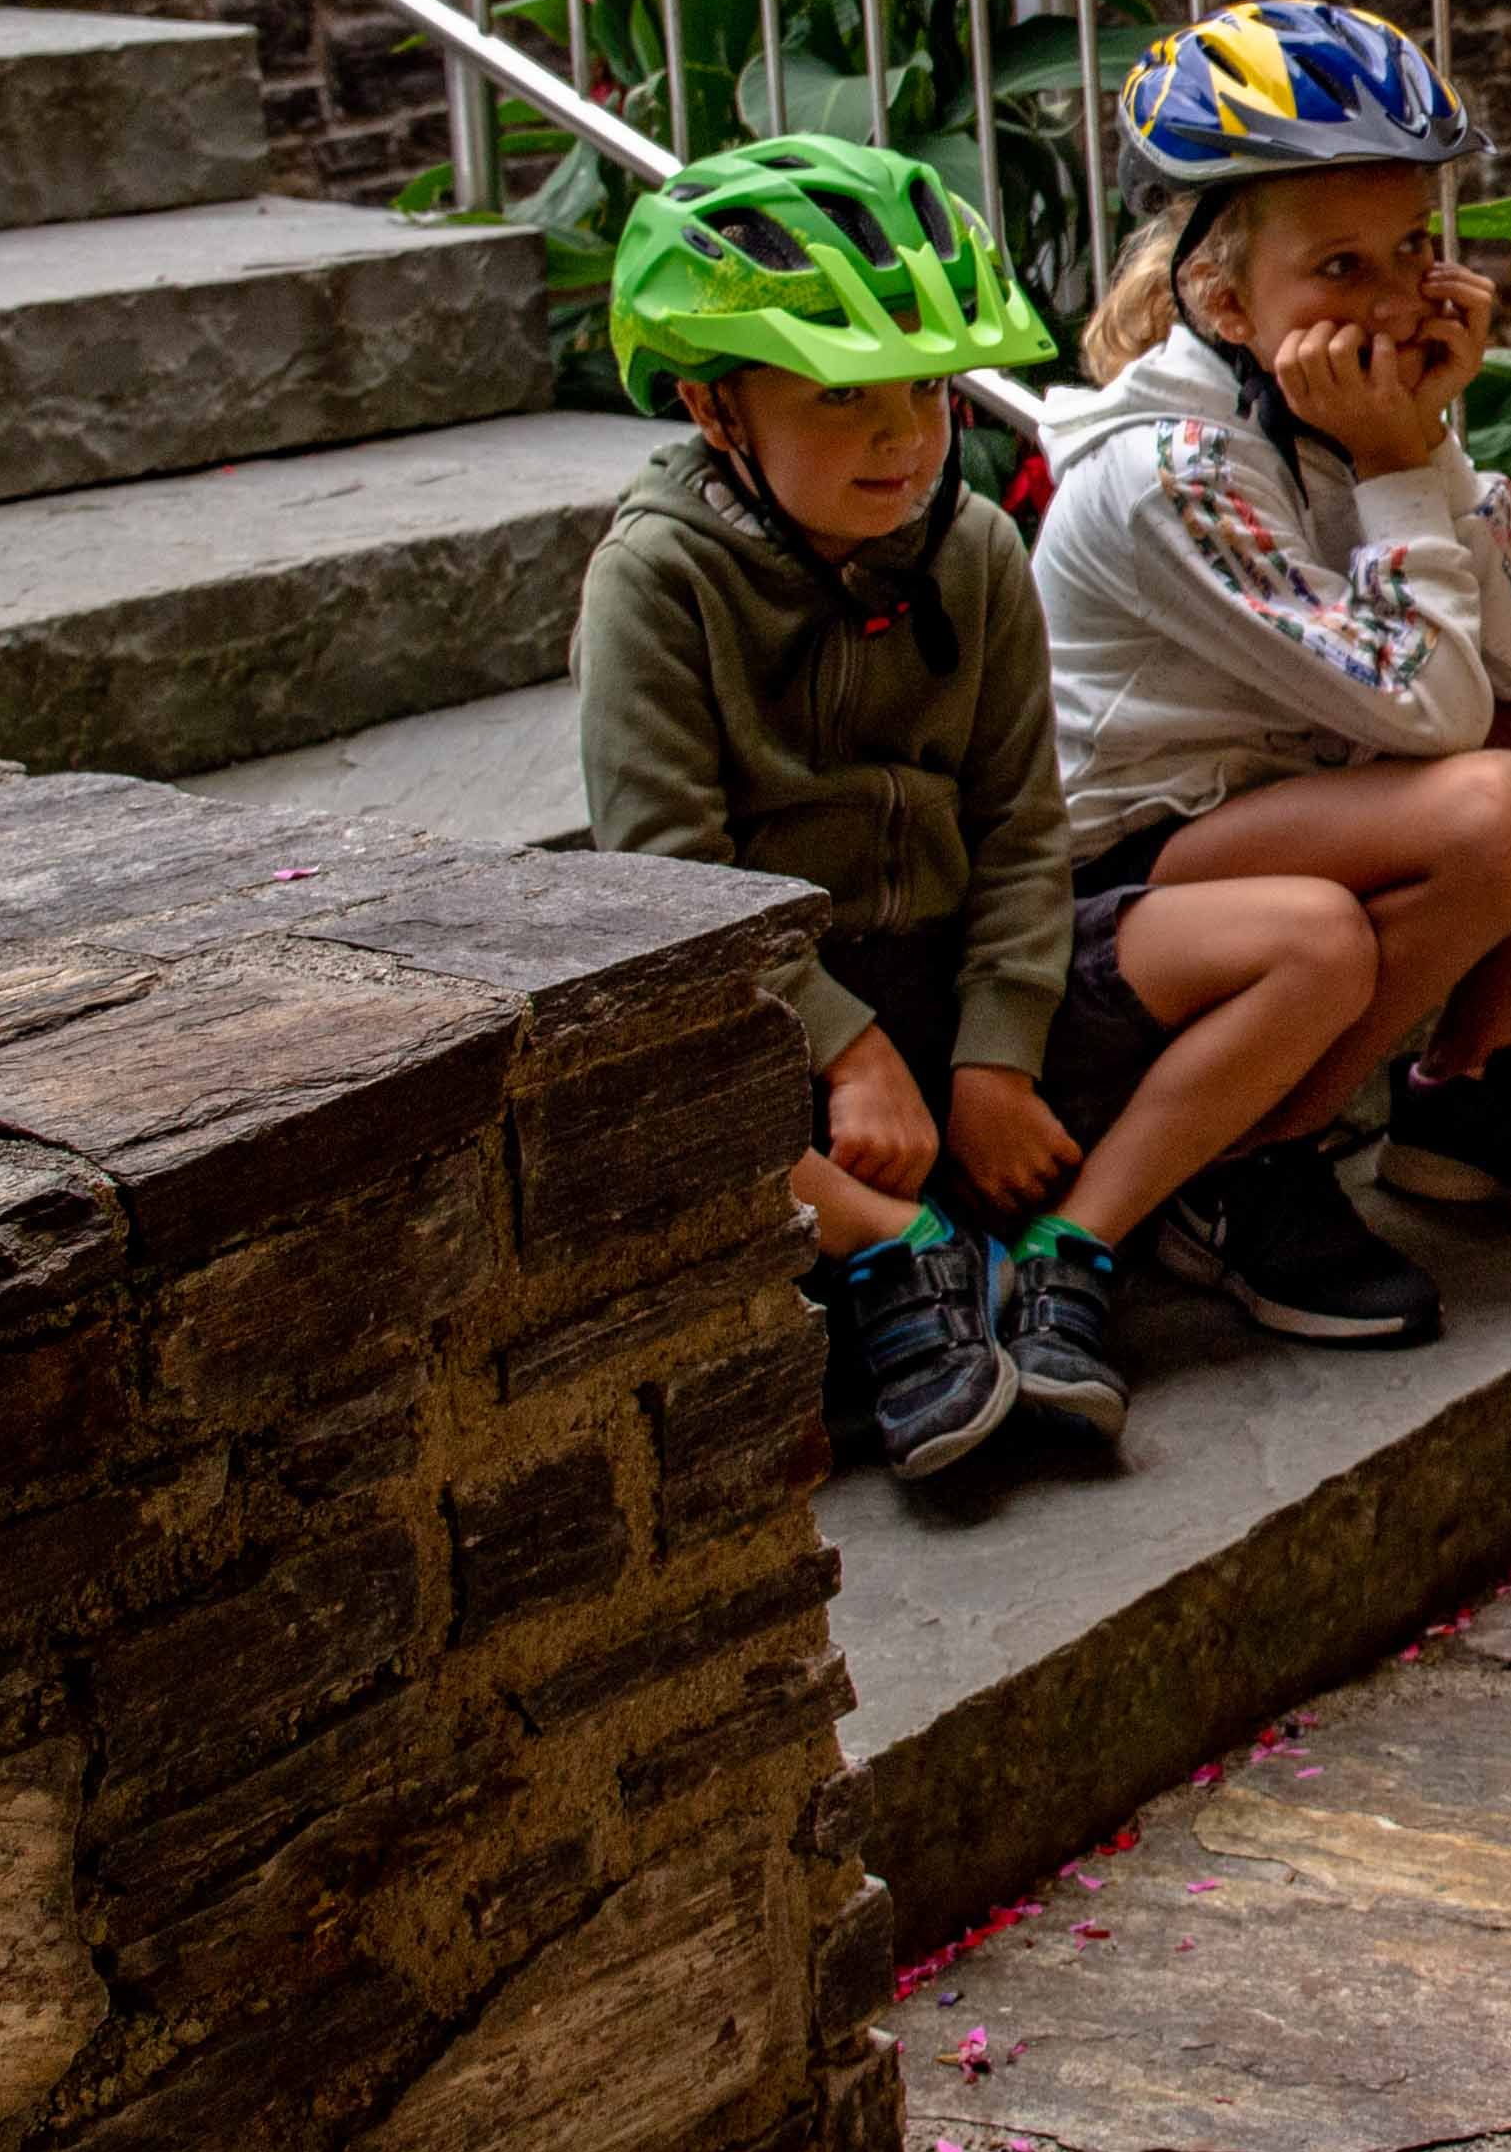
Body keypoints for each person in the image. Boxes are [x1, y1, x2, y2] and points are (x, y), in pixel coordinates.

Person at [574, 135, 1422, 1482]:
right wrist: (849, 1056)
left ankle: (1062, 1254)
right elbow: (675, 885)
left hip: (975, 976)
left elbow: (1026, 830)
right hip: (780, 1021)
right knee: (612, 1092)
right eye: (841, 394)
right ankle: (892, 1256)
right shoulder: (656, 579)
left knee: (1316, 941)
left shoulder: (970, 544)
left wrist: (993, 1057)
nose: (902, 437)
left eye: (921, 390)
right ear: (714, 409)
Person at [1029, 0, 1511, 1331]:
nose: (1397, 297)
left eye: (1411, 247)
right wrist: (1401, 467)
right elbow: (1443, 718)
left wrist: (1428, 446)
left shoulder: (1340, 407)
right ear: (1220, 294)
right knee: (1494, 809)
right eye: (1338, 268)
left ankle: (1459, 1090)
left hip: (1306, 803)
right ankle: (1238, 1169)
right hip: (1128, 894)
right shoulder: (1167, 471)